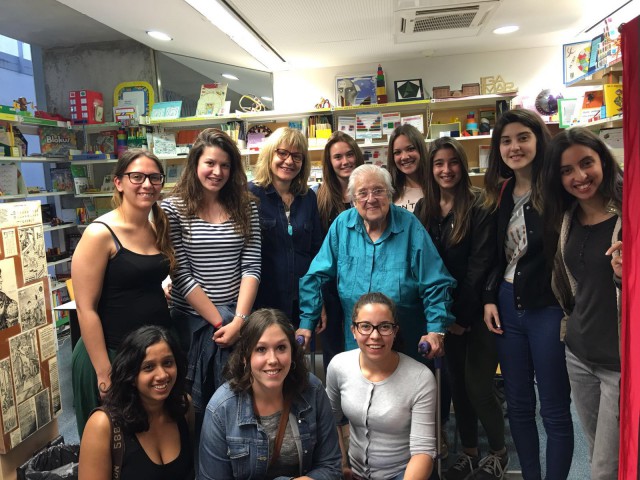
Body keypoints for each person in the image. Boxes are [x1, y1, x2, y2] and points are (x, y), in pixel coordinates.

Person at [483, 109, 573, 480]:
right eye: (506, 141)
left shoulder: (558, 187)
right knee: (518, 405)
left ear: (539, 139)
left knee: (553, 407)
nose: (514, 147)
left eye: (523, 137)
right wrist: (489, 297)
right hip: (506, 304)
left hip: (547, 305)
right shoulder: (502, 191)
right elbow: (497, 253)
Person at [415, 137, 507, 479]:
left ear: (463, 165)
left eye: (452, 162)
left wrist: (461, 318)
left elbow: (480, 264)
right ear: (431, 168)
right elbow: (425, 264)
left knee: (478, 387)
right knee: (456, 385)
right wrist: (443, 318)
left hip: (476, 311)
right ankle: (469, 451)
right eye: (438, 163)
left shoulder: (480, 204)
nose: (446, 170)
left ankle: (498, 452)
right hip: (442, 314)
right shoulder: (425, 207)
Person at [297, 164, 456, 362]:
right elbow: (315, 276)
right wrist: (307, 322)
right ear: (354, 200)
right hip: (357, 344)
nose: (370, 199)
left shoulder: (410, 226)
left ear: (389, 195)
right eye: (362, 193)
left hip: (405, 343)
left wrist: (435, 330)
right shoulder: (341, 226)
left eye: (378, 191)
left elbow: (435, 282)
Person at [161, 128, 261, 439]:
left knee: (236, 395)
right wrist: (221, 323)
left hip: (235, 317)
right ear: (195, 164)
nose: (217, 172)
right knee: (192, 401)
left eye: (226, 165)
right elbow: (181, 273)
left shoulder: (246, 206)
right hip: (191, 322)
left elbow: (252, 266)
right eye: (210, 163)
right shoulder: (172, 208)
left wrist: (239, 322)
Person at [71, 149, 174, 437]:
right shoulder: (100, 233)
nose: (146, 184)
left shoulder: (156, 228)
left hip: (150, 355)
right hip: (112, 355)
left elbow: (142, 279)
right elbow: (85, 309)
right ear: (118, 182)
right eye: (137, 176)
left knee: (148, 441)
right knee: (112, 447)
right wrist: (105, 374)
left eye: (154, 177)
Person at [544, 127, 623, 480]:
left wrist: (626, 275)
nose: (579, 176)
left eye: (586, 163)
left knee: (607, 468)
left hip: (620, 362)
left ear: (602, 160)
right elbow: (570, 283)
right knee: (597, 453)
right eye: (566, 170)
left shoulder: (629, 215)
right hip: (578, 353)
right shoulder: (567, 218)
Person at [199, 309, 342, 479]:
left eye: (281, 347)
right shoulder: (221, 408)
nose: (273, 359)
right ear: (245, 356)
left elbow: (331, 467)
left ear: (292, 352)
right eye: (261, 349)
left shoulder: (313, 390)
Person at [326, 292, 437, 480]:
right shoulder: (339, 366)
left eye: (384, 327)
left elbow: (423, 451)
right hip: (354, 472)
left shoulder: (420, 377)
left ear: (395, 331)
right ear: (353, 330)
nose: (375, 336)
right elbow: (330, 422)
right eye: (365, 327)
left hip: (404, 473)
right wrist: (341, 465)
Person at [79, 326, 194, 480]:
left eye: (167, 363)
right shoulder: (102, 425)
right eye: (149, 367)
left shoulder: (183, 406)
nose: (162, 375)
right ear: (130, 375)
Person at [249, 127, 322, 327]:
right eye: (282, 153)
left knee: (298, 355)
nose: (289, 161)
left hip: (302, 303)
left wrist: (318, 302)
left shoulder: (308, 198)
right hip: (262, 304)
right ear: (269, 155)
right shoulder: (249, 195)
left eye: (297, 156)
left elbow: (317, 254)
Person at [314, 131, 364, 369]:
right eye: (338, 157)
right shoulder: (318, 198)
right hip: (331, 290)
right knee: (336, 357)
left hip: (365, 284)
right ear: (329, 162)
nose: (345, 161)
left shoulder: (370, 190)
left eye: (349, 154)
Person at [387, 124, 429, 212]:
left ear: (421, 149)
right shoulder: (389, 191)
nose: (404, 157)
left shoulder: (436, 187)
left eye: (410, 149)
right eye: (397, 152)